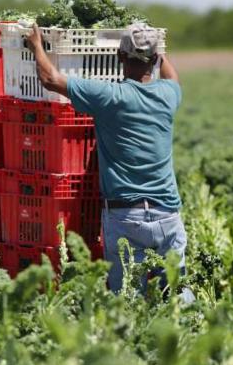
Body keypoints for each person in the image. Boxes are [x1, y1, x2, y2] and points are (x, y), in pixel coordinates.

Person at [26, 22, 190, 297]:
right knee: (178, 295)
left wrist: (36, 46)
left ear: (120, 56)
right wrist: (158, 50)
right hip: (168, 215)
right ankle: (192, 324)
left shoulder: (110, 96)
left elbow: (51, 79)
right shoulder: (168, 95)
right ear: (154, 60)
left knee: (127, 301)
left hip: (125, 216)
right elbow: (172, 76)